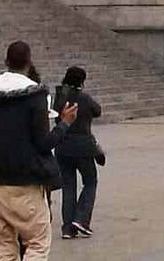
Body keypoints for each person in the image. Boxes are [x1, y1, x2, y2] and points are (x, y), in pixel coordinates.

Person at [0, 41, 77, 261]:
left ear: (6, 61)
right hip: (25, 182)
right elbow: (43, 143)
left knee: (4, 247)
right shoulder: (35, 96)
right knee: (37, 243)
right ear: (29, 62)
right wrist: (64, 124)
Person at [53, 66, 103, 240]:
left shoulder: (59, 98)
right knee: (90, 181)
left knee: (68, 186)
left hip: (62, 147)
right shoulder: (84, 98)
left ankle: (68, 228)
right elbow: (97, 110)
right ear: (82, 81)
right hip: (83, 147)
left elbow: (55, 116)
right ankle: (81, 219)